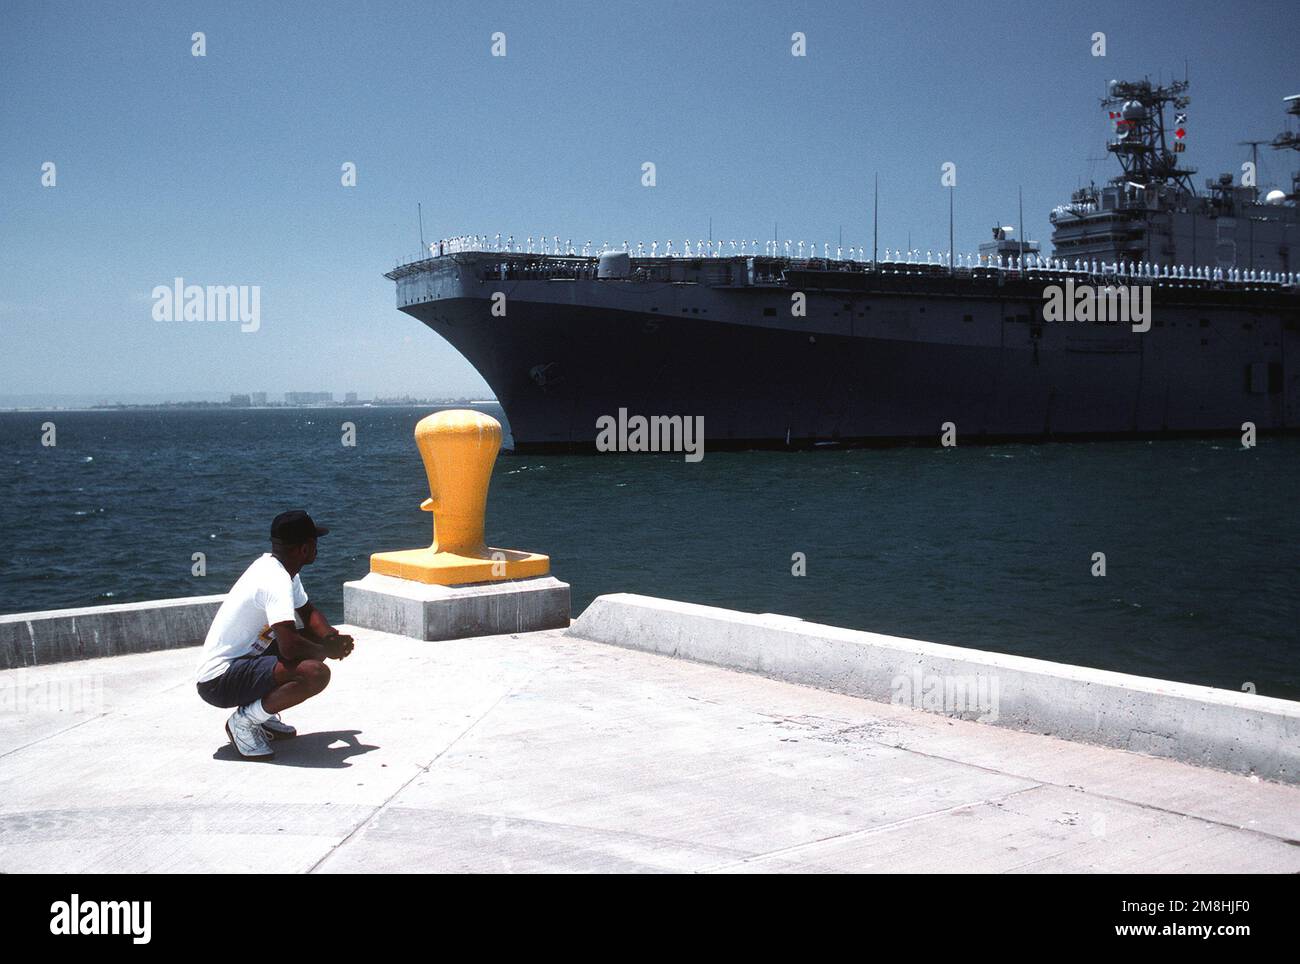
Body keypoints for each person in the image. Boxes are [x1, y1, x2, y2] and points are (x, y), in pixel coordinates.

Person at [195, 510, 354, 760]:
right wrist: (327, 651)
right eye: (315, 542)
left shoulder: (280, 568)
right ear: (304, 549)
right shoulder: (275, 580)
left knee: (313, 642)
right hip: (219, 682)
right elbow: (289, 646)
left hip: (244, 663)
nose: (317, 548)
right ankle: (244, 723)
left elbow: (308, 612)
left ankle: (261, 714)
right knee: (315, 673)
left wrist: (332, 638)